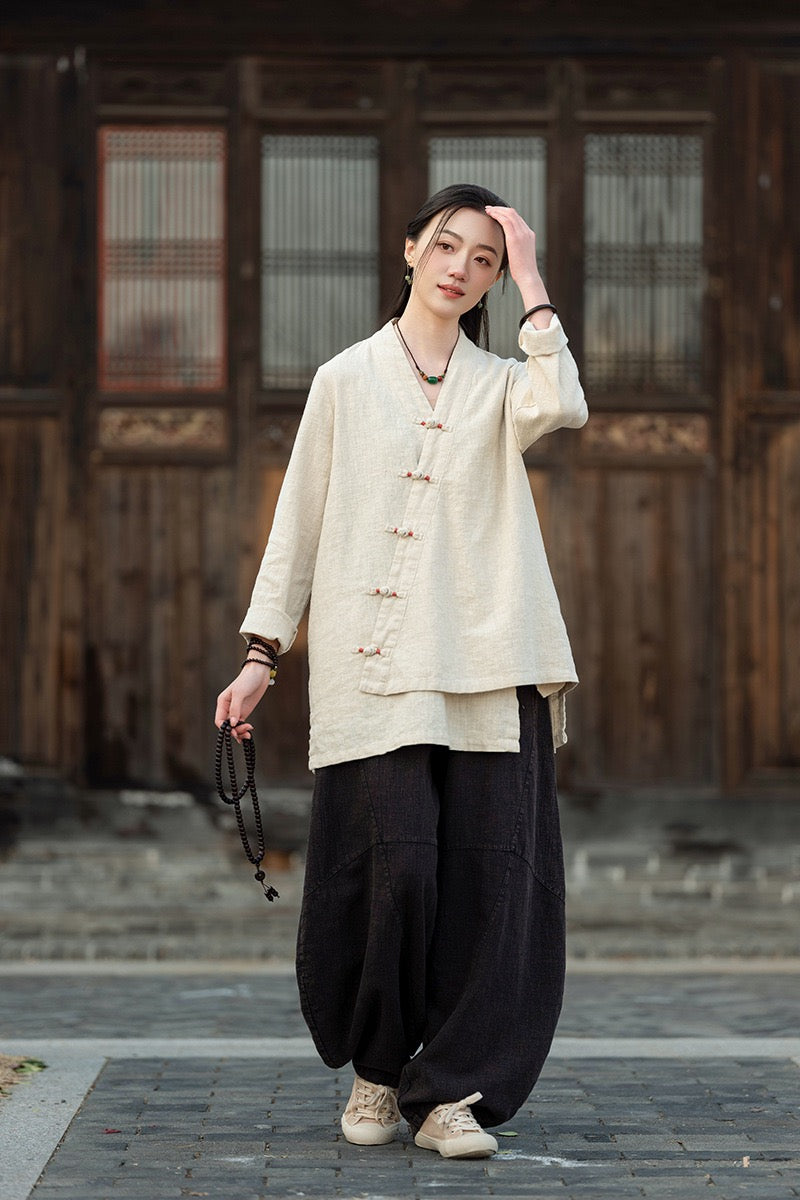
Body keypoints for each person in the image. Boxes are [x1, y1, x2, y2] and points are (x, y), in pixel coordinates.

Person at [215, 183, 587, 1160]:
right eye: (448, 246)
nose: (462, 268)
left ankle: (449, 1094)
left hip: (490, 659)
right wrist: (261, 654)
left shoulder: (500, 382)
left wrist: (533, 278)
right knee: (396, 869)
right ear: (412, 248)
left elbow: (563, 403)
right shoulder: (344, 379)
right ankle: (378, 1070)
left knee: (490, 878)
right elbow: (298, 521)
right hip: (373, 665)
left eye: (484, 260)